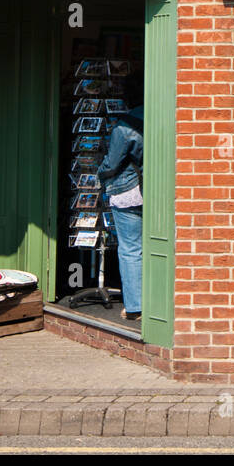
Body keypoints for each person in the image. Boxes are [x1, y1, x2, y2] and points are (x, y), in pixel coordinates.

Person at [97, 84, 143, 322]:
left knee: (131, 248)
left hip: (128, 190)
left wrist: (100, 173)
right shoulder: (165, 117)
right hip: (157, 190)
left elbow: (113, 163)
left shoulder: (124, 126)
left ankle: (135, 306)